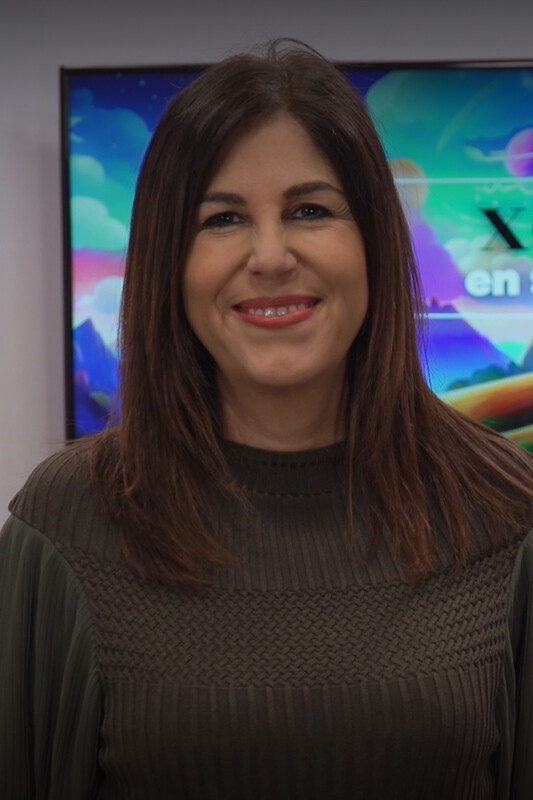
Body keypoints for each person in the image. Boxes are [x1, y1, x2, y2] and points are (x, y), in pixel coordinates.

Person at [1, 40, 532, 800]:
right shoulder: (65, 524)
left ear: (374, 241)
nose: (271, 256)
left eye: (310, 210)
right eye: (221, 219)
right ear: (167, 261)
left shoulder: (510, 513)